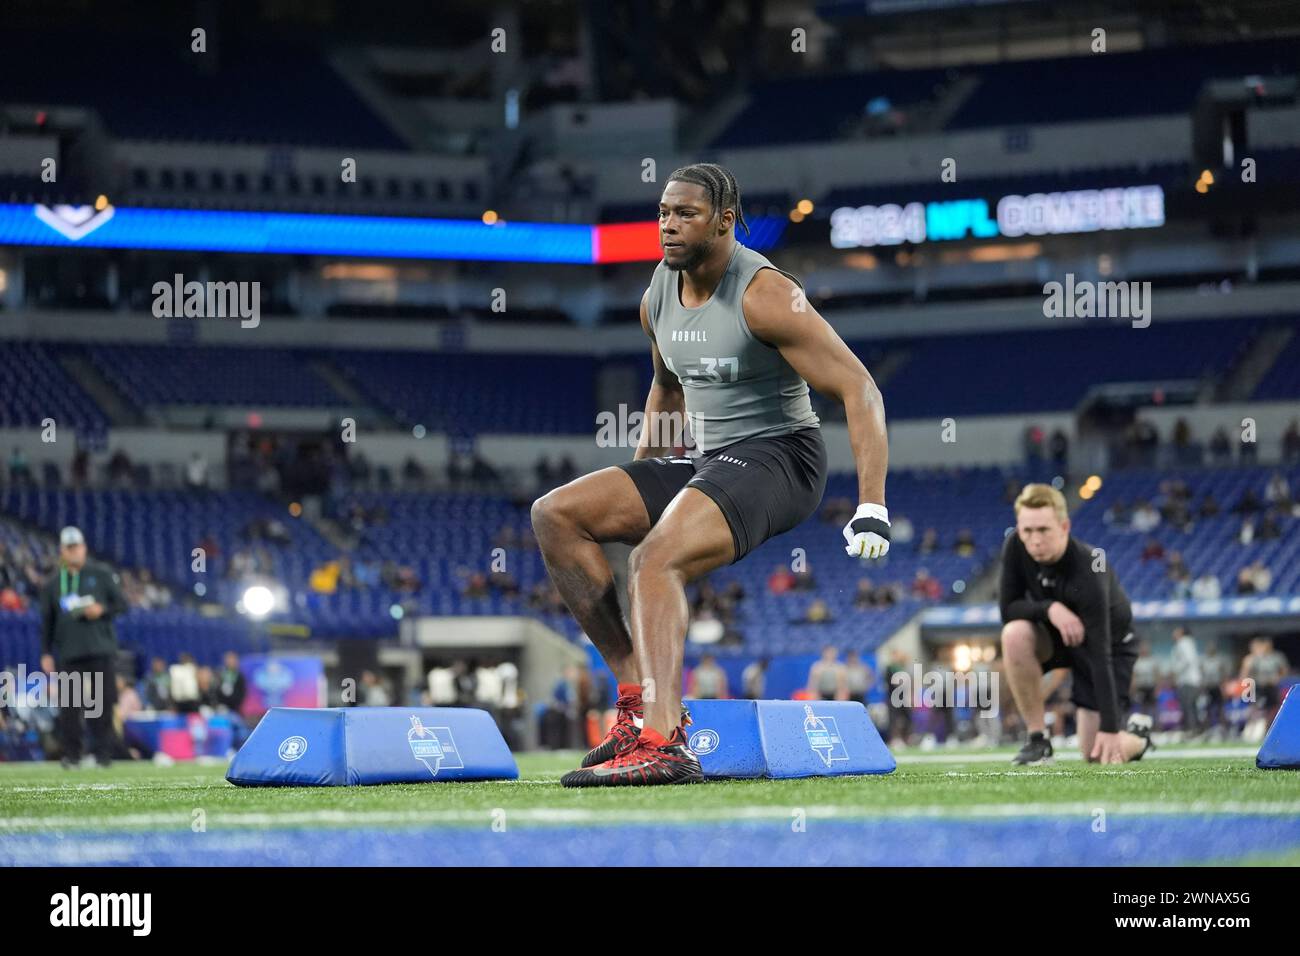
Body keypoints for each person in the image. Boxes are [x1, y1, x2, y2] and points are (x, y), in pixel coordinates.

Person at [533, 164, 890, 787]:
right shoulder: (658, 294)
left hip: (783, 457)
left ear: (724, 220)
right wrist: (641, 479)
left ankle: (663, 743)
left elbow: (859, 387)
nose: (668, 225)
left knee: (653, 560)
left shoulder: (766, 294)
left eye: (686, 214)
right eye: (663, 213)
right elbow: (665, 387)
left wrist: (872, 504)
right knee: (556, 515)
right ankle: (635, 698)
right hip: (709, 457)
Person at [999, 485, 1153, 765]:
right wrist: (1051, 608)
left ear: (1064, 526)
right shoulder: (1015, 546)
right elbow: (1008, 609)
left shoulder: (1091, 566)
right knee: (1014, 634)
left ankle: (1139, 736)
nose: (1034, 540)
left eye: (1043, 530)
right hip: (1061, 637)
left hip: (1108, 646)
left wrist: (1109, 728)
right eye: (1027, 530)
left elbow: (1100, 652)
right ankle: (1037, 740)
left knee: (1097, 754)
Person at [38, 527, 128, 768]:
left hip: (99, 649)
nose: (74, 551)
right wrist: (46, 652)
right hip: (69, 651)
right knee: (70, 707)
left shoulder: (100, 574)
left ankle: (103, 754)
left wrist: (102, 610)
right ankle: (72, 755)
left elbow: (122, 604)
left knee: (102, 704)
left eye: (76, 546)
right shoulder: (53, 584)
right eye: (69, 547)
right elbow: (47, 621)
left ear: (84, 547)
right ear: (62, 551)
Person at [1169, 627, 1203, 735]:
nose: (1173, 633)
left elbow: (1187, 661)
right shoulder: (1189, 643)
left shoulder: (1183, 643)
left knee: (1187, 706)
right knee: (1191, 706)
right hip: (1192, 680)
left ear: (1182, 633)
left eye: (1176, 631)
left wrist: (1176, 671)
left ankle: (1191, 730)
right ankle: (1195, 730)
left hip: (1188, 680)